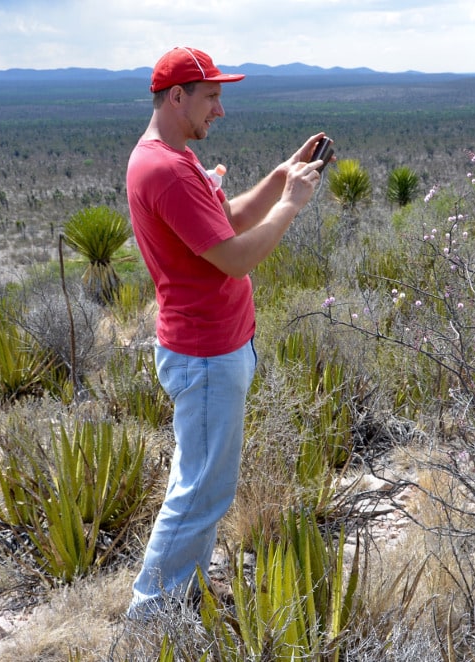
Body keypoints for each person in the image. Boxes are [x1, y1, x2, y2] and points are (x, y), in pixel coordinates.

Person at [124, 46, 331, 619]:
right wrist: (291, 205)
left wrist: (279, 176)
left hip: (210, 350)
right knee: (202, 493)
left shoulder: (174, 158)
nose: (220, 109)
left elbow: (226, 221)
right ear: (176, 96)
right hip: (206, 355)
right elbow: (237, 257)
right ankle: (151, 615)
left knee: (200, 483)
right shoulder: (167, 169)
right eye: (211, 96)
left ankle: (180, 592)